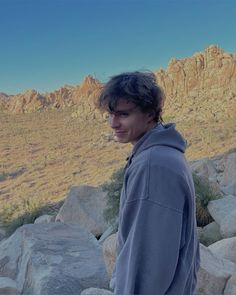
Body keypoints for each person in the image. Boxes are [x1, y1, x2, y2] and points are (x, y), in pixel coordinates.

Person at [98, 71, 200, 295]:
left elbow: (150, 260)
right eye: (110, 114)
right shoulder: (159, 154)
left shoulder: (153, 166)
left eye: (123, 114)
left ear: (150, 114)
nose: (113, 123)